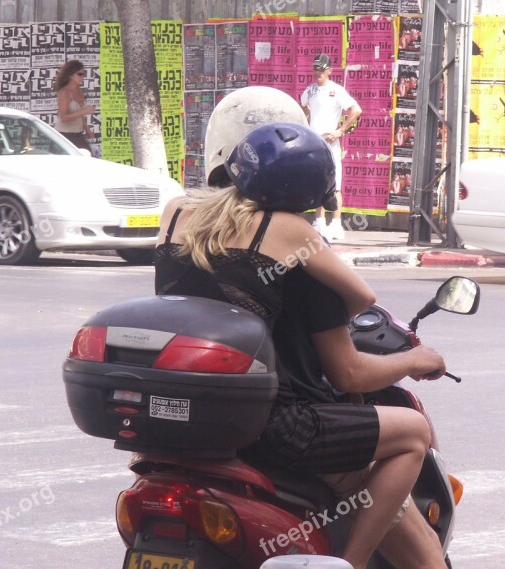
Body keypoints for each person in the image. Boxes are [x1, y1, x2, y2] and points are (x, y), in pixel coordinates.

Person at [185, 85, 448, 569]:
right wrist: (414, 360)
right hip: (278, 428)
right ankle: (349, 561)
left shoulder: (182, 221)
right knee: (413, 434)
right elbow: (351, 358)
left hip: (196, 422)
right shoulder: (297, 248)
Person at [300, 53, 362, 241]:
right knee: (317, 183)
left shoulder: (336, 90)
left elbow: (356, 110)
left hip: (330, 142)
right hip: (314, 142)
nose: (318, 72)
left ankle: (335, 223)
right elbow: (303, 107)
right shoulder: (309, 91)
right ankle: (319, 221)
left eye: (321, 69)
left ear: (329, 71)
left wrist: (340, 130)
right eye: (315, 68)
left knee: (333, 184)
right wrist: (307, 126)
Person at [53, 59, 95, 152]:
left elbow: (81, 116)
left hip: (78, 134)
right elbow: (63, 118)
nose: (82, 77)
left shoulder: (79, 90)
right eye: (80, 74)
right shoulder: (64, 92)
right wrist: (83, 111)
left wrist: (87, 129)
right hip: (63, 136)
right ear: (71, 75)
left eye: (83, 74)